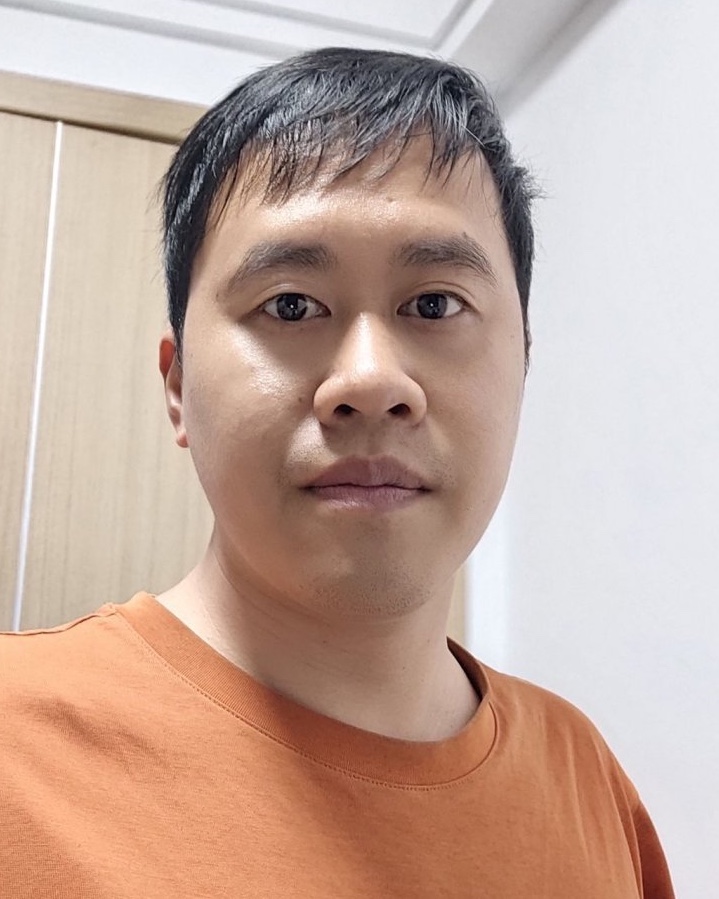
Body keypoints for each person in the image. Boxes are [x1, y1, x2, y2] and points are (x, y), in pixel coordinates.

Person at [1, 48, 674, 897]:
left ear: (523, 367)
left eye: (434, 304)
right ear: (177, 386)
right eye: (289, 305)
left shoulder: (586, 779)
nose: (370, 380)